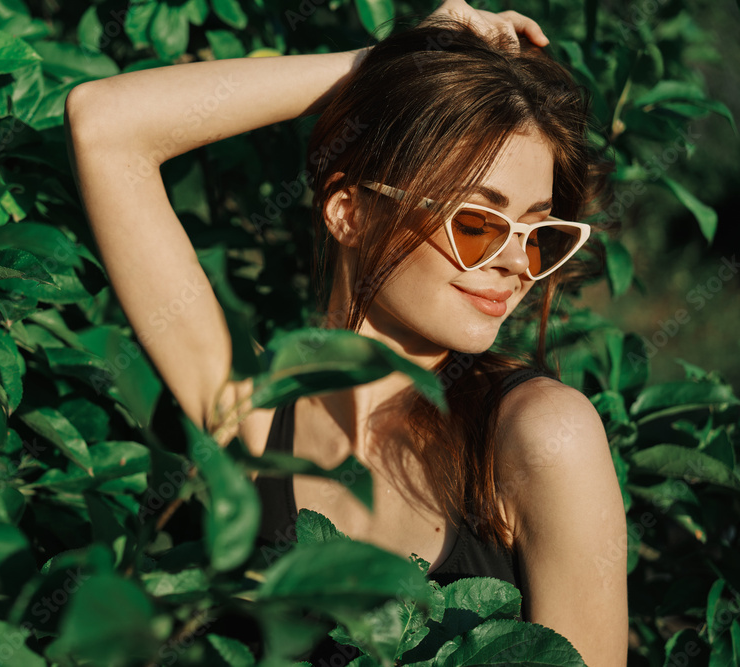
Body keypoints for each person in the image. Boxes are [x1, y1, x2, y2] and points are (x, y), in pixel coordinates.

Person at [64, 0, 628, 664]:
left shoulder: (540, 435)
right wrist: (389, 63)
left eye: (539, 235)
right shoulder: (253, 407)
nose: (513, 262)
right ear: (349, 213)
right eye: (478, 223)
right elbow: (104, 125)